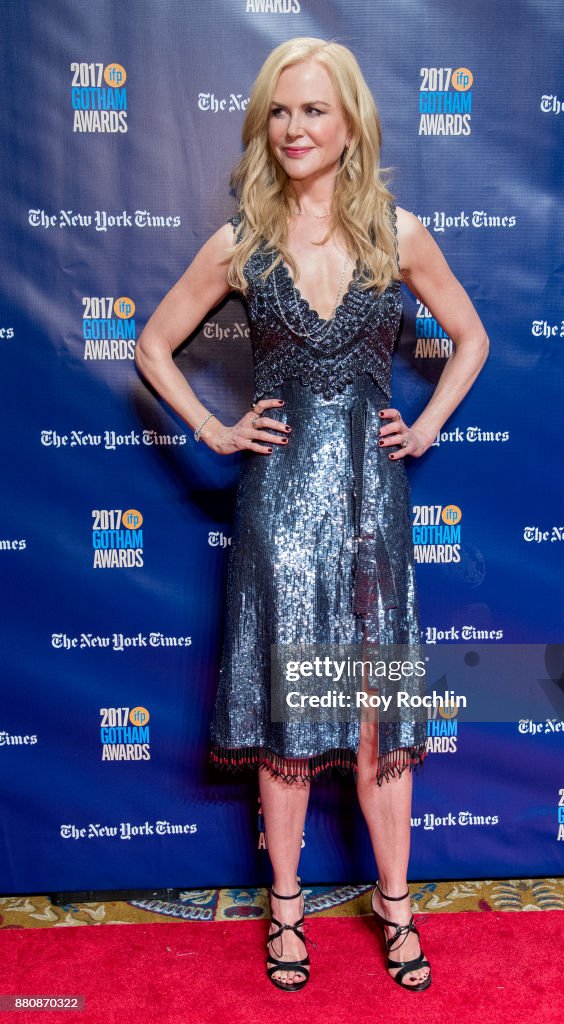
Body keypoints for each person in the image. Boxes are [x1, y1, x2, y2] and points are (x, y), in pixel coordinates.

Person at [135, 37, 488, 993]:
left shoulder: (397, 234)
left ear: (350, 126)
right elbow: (154, 344)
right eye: (280, 111)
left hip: (374, 504)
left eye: (313, 111)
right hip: (279, 508)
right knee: (289, 721)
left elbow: (471, 336)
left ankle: (394, 906)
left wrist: (423, 430)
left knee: (377, 719)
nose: (295, 128)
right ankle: (285, 909)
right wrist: (213, 427)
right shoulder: (243, 243)